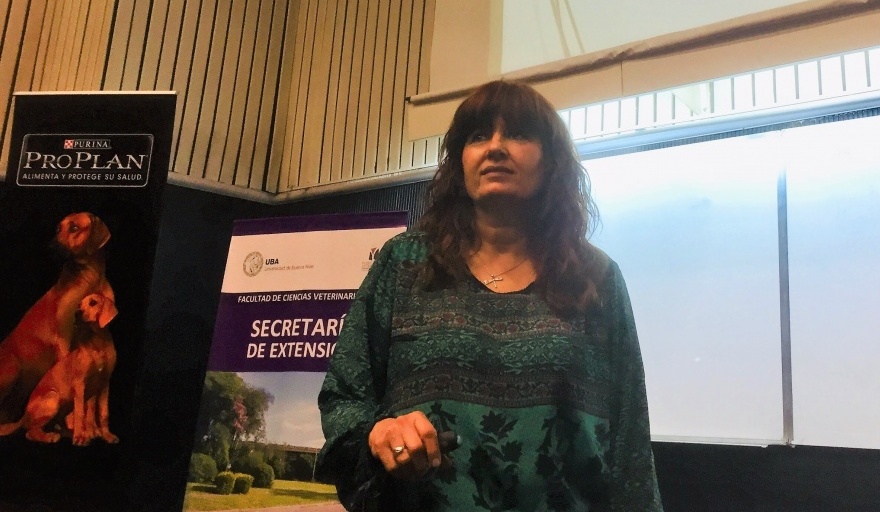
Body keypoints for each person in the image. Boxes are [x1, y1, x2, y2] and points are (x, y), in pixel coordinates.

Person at [316, 80, 663, 511]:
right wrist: (380, 433)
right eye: (479, 135)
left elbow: (630, 443)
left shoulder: (596, 278)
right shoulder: (403, 263)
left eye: (517, 133)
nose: (495, 147)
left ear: (551, 161)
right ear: (459, 162)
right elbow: (344, 395)